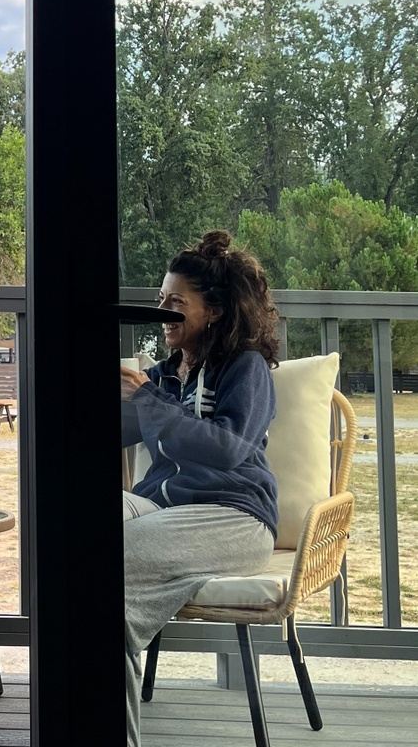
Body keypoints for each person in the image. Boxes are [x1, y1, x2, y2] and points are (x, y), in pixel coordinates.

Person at [119, 230, 280, 747]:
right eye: (159, 299)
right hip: (163, 508)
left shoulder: (245, 368)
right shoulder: (166, 375)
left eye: (176, 302)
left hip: (234, 516)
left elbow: (229, 448)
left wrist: (149, 400)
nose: (162, 311)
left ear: (212, 311)